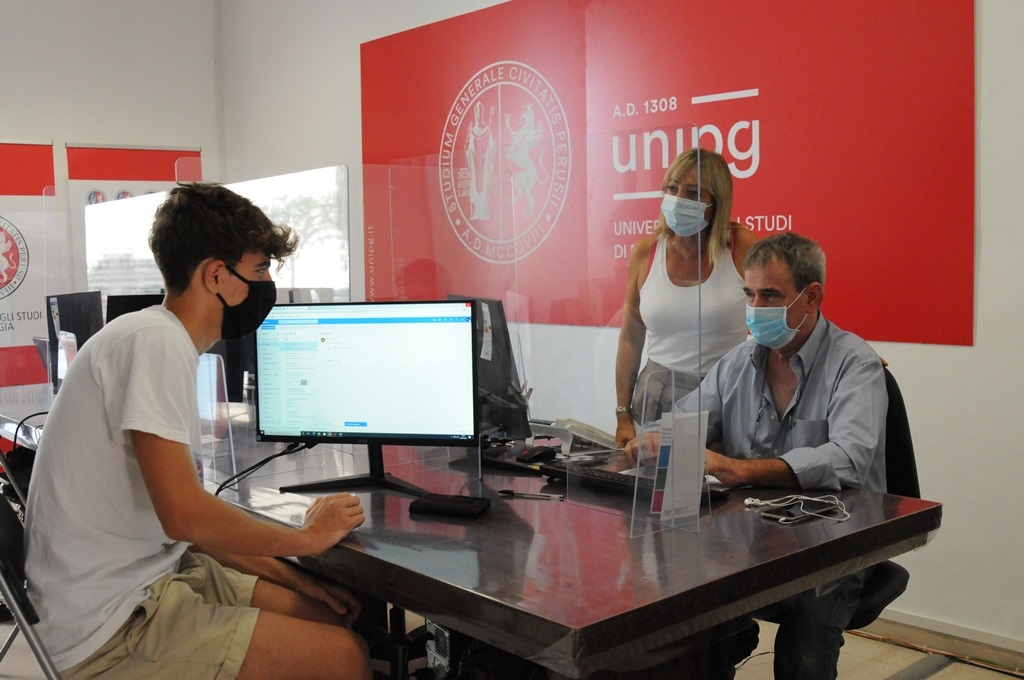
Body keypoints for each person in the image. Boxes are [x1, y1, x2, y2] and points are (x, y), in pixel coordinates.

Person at [24, 184, 373, 680]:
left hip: (152, 578)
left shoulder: (153, 335)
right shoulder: (156, 344)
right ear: (215, 276)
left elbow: (188, 523)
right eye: (259, 270)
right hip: (106, 628)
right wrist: (305, 539)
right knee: (344, 657)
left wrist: (295, 577)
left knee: (325, 616)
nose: (266, 284)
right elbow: (184, 517)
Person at [629, 232, 887, 679]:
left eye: (770, 295)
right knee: (680, 614)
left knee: (803, 653)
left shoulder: (854, 364)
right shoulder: (738, 362)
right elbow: (683, 421)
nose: (755, 308)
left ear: (812, 297)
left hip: (832, 544)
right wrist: (651, 439)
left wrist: (737, 469)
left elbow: (848, 459)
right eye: (749, 294)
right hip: (750, 538)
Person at [615, 148, 758, 446]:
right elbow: (631, 337)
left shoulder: (741, 247)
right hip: (654, 397)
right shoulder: (646, 251)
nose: (679, 199)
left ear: (716, 203)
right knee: (654, 476)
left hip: (722, 397)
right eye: (672, 188)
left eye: (693, 193)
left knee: (716, 476)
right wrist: (622, 414)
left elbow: (779, 309)